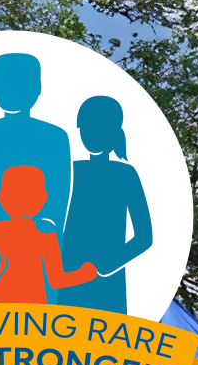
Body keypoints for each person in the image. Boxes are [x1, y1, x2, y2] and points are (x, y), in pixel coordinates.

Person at [0, 52, 72, 295]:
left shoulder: (55, 137)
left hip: (41, 238)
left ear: (37, 88)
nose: (13, 90)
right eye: (4, 82)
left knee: (41, 317)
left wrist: (49, 229)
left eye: (23, 82)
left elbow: (61, 190)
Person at [61, 95, 153, 314]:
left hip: (107, 282)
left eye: (99, 127)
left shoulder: (126, 174)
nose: (91, 134)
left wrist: (108, 264)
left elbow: (144, 236)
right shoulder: (69, 170)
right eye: (86, 127)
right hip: (66, 275)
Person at [0, 165, 97, 304]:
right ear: (44, 197)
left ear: (1, 197)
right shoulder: (44, 232)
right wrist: (86, 273)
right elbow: (56, 281)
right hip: (34, 308)